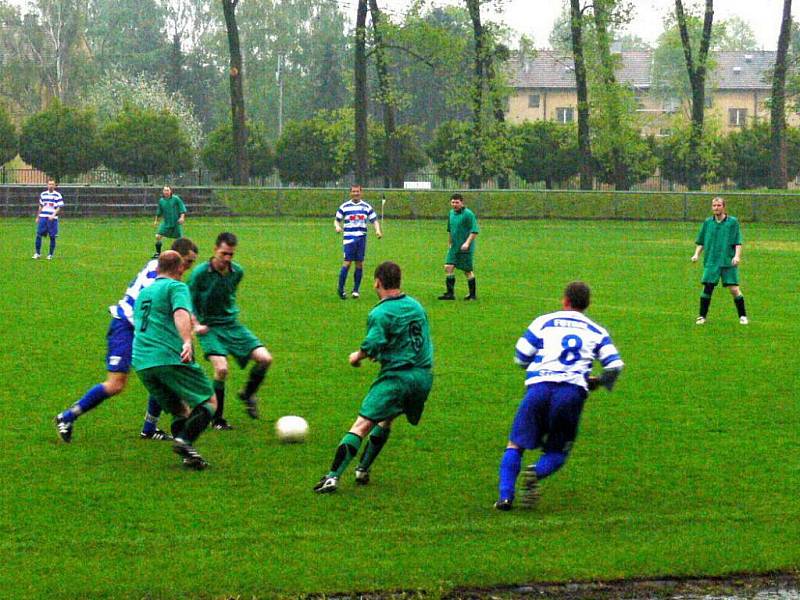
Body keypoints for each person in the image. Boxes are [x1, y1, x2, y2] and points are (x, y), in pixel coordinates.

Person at [494, 281, 624, 511]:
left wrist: (536, 366)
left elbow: (520, 356)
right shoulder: (596, 331)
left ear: (565, 300)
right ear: (588, 304)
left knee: (515, 445)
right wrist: (596, 381)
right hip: (570, 394)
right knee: (557, 451)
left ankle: (505, 497)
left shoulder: (544, 321)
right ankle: (536, 472)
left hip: (539, 389)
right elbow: (614, 366)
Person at [54, 239, 199, 443]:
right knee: (116, 384)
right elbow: (158, 309)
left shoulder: (166, 276)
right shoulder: (157, 275)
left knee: (160, 371)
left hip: (142, 330)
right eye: (187, 262)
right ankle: (67, 417)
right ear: (174, 257)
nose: (187, 268)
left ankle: (149, 428)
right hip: (126, 326)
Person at [314, 261, 433, 494]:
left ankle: (332, 477)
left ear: (376, 282)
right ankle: (363, 470)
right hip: (423, 377)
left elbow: (372, 344)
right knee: (386, 419)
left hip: (397, 379)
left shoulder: (379, 313)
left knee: (361, 425)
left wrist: (356, 357)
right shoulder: (417, 307)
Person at [133, 250, 217, 469]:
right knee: (209, 402)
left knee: (180, 410)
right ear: (180, 268)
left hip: (142, 363)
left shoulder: (145, 293)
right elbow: (181, 313)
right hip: (168, 358)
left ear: (158, 269)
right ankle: (185, 441)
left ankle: (189, 457)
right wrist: (187, 341)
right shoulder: (177, 287)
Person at [188, 232, 272, 429]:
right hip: (209, 327)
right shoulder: (200, 273)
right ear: (215, 249)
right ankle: (217, 419)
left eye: (231, 255)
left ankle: (248, 394)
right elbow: (186, 301)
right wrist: (196, 324)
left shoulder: (237, 272)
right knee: (222, 369)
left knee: (265, 359)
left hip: (231, 325)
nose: (227, 258)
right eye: (224, 253)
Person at [691, 196, 748, 325]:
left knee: (734, 289)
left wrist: (737, 256)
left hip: (728, 261)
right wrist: (696, 254)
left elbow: (737, 242)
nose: (716, 208)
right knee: (708, 287)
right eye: (714, 206)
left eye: (718, 206)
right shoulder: (708, 223)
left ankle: (743, 316)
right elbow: (701, 242)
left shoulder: (732, 222)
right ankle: (701, 316)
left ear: (724, 207)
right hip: (711, 261)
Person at [334, 184, 382, 300]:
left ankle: (356, 290)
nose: (356, 193)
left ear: (361, 192)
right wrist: (337, 227)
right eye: (353, 191)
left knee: (359, 263)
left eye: (357, 191)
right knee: (347, 263)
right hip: (349, 239)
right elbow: (336, 220)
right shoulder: (345, 206)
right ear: (350, 193)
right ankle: (341, 289)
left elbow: (374, 220)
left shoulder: (366, 207)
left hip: (361, 238)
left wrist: (378, 230)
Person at [438, 193, 479, 301]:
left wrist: (467, 243)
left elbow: (474, 231)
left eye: (457, 202)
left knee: (467, 271)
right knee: (448, 267)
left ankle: (472, 295)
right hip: (454, 246)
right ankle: (450, 294)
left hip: (465, 247)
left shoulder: (468, 214)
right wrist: (450, 242)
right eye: (453, 202)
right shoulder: (451, 213)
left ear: (462, 203)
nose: (454, 204)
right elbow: (450, 230)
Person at [33, 179, 64, 260]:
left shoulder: (58, 195)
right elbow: (40, 206)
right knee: (39, 235)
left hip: (52, 219)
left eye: (52, 184)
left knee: (52, 236)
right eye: (49, 184)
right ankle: (37, 253)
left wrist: (53, 215)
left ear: (55, 185)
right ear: (47, 185)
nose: (51, 186)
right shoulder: (43, 194)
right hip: (43, 217)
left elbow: (59, 207)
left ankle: (50, 254)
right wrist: (38, 216)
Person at [153, 186, 187, 257]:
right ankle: (158, 253)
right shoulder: (161, 201)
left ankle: (180, 253)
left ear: (171, 191)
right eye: (165, 190)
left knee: (179, 240)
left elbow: (182, 208)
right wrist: (156, 221)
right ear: (163, 191)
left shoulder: (176, 199)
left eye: (167, 190)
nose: (166, 192)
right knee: (158, 236)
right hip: (166, 222)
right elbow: (159, 212)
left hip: (175, 223)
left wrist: (182, 217)